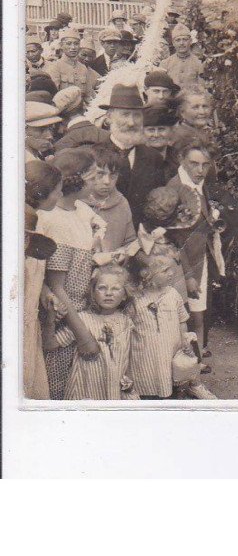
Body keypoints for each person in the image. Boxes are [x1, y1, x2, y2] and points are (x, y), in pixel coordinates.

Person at [36, 148, 105, 400]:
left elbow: (96, 224)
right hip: (64, 321)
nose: (100, 182)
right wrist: (83, 335)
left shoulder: (80, 209)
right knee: (59, 388)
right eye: (94, 176)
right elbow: (57, 287)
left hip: (81, 312)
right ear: (75, 180)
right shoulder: (55, 220)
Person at [166, 141, 225, 365]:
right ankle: (184, 368)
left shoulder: (198, 185)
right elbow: (173, 240)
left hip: (199, 257)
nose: (199, 170)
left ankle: (196, 364)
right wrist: (188, 275)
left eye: (205, 165)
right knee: (183, 318)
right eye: (194, 164)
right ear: (182, 161)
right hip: (181, 264)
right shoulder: (175, 189)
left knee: (198, 315)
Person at [46, 265, 137, 401]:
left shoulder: (126, 322)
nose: (108, 293)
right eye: (102, 288)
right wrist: (50, 317)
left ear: (124, 295)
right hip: (85, 390)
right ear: (93, 293)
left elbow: (127, 358)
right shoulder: (82, 320)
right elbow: (50, 344)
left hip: (114, 389)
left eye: (116, 288)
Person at [24, 160, 63, 399]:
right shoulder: (23, 226)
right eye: (58, 189)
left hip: (30, 320)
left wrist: (44, 291)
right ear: (43, 193)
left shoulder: (36, 220)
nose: (60, 194)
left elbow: (34, 270)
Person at [100, 84, 166, 226]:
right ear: (109, 117)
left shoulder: (154, 158)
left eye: (136, 115)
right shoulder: (94, 155)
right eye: (125, 115)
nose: (131, 122)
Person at [129, 253, 192, 399]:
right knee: (147, 391)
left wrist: (185, 340)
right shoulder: (135, 300)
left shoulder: (173, 294)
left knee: (171, 387)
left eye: (171, 269)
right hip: (146, 358)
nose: (171, 273)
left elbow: (182, 320)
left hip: (171, 353)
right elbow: (127, 328)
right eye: (165, 270)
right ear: (147, 275)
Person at [83, 145, 137, 254]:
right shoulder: (76, 203)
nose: (107, 181)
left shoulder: (122, 203)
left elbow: (130, 241)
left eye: (113, 175)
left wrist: (121, 253)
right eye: (100, 174)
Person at [45, 28, 100, 105]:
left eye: (76, 43)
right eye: (69, 43)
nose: (73, 47)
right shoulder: (55, 67)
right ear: (61, 45)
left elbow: (89, 95)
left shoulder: (83, 68)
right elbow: (52, 97)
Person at [161, 24, 204, 88]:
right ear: (173, 43)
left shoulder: (198, 63)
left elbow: (202, 88)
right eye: (178, 40)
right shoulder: (165, 63)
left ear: (190, 41)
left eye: (185, 39)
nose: (181, 43)